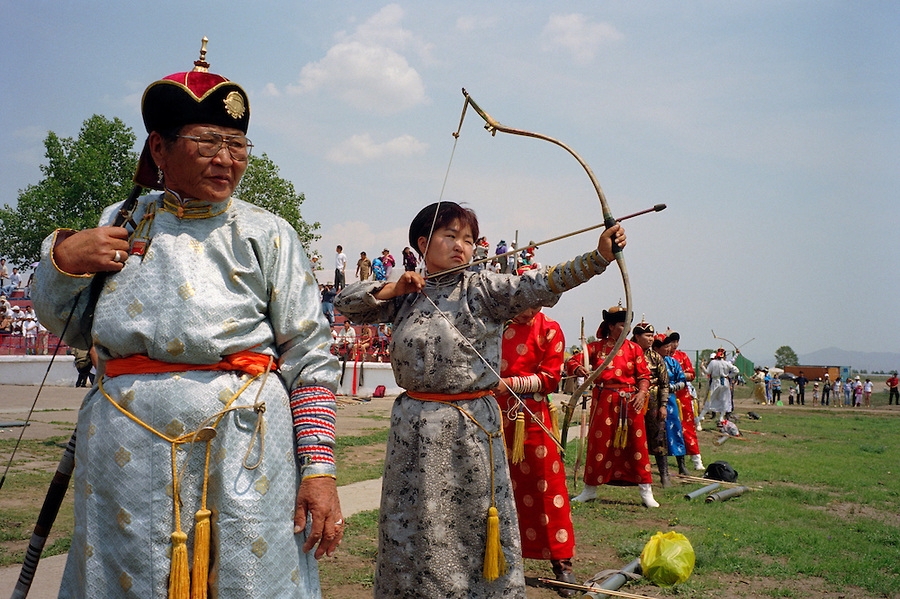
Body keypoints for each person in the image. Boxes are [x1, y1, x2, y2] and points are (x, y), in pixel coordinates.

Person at [32, 46, 341, 598]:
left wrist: (318, 470)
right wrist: (65, 262)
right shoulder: (120, 221)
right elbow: (71, 328)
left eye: (237, 144)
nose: (227, 159)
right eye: (207, 143)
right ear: (159, 147)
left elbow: (310, 354)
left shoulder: (269, 233)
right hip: (126, 449)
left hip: (244, 448)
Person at [335, 201, 626, 598]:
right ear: (423, 242)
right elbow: (344, 303)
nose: (461, 246)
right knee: (413, 521)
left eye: (469, 240)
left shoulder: (484, 288)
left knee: (470, 522)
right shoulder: (404, 294)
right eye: (450, 236)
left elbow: (542, 282)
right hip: (412, 430)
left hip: (469, 427)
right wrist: (393, 287)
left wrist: (598, 258)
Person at [495, 307, 577, 595]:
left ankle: (562, 565)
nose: (526, 309)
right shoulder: (497, 325)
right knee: (493, 488)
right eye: (519, 301)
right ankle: (496, 559)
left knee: (546, 488)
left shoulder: (549, 329)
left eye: (534, 302)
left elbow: (551, 378)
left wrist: (512, 384)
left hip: (532, 416)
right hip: (494, 416)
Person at [566, 305, 656, 508]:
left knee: (637, 445)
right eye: (623, 324)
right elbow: (571, 361)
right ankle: (589, 490)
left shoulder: (634, 349)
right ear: (612, 326)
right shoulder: (596, 348)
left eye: (628, 325)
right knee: (599, 445)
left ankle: (646, 491)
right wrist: (578, 367)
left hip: (631, 402)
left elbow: (644, 376)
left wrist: (642, 393)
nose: (627, 328)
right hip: (604, 401)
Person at [631, 320, 670, 487]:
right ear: (637, 337)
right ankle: (632, 474)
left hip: (653, 398)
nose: (651, 339)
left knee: (658, 436)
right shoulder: (628, 352)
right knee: (632, 435)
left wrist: (663, 405)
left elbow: (664, 383)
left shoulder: (656, 357)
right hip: (632, 398)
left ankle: (664, 474)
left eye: (652, 335)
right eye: (647, 336)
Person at [668, 331, 704, 471]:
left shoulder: (682, 356)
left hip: (681, 398)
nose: (674, 345)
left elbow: (691, 374)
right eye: (671, 341)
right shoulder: (659, 357)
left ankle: (696, 460)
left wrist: (677, 375)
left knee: (687, 429)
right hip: (665, 397)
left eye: (677, 341)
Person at [655, 334, 689, 477]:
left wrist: (669, 388)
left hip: (670, 402)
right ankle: (663, 471)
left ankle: (681, 465)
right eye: (666, 346)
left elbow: (682, 381)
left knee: (675, 431)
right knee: (657, 435)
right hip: (652, 402)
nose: (669, 349)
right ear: (656, 348)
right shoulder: (649, 362)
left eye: (670, 345)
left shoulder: (673, 363)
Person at [701, 348, 739, 422]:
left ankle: (720, 416)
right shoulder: (726, 363)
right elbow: (736, 370)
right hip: (724, 382)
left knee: (712, 398)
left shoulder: (713, 363)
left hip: (716, 382)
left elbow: (707, 372)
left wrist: (702, 367)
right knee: (723, 399)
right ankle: (720, 416)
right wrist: (729, 376)